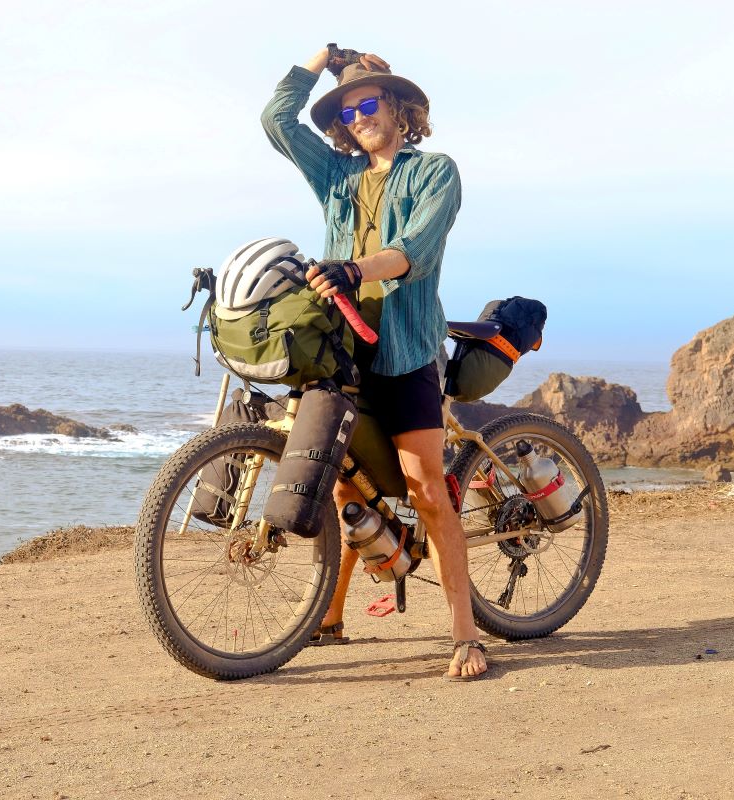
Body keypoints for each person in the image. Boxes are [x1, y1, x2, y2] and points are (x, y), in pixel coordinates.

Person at [260, 45, 488, 680]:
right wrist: (318, 62)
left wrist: (355, 268)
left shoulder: (434, 172)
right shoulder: (336, 176)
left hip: (406, 354)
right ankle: (329, 616)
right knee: (342, 483)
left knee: (428, 492)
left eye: (370, 102)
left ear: (398, 108)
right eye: (349, 107)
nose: (359, 115)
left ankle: (466, 634)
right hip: (344, 353)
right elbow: (278, 120)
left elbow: (413, 249)